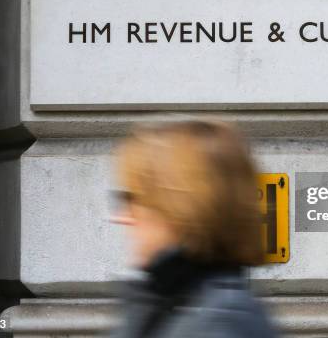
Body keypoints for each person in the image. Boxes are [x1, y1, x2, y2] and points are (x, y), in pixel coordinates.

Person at [110, 120, 278, 338]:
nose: (121, 217)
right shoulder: (171, 302)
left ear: (179, 206)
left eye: (132, 199)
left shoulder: (221, 322)